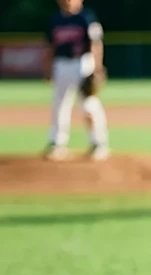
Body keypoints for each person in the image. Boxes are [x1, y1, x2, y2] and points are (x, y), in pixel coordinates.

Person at [42, 0, 109, 161]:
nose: (67, 1)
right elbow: (49, 46)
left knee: (89, 104)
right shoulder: (55, 20)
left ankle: (98, 143)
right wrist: (48, 67)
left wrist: (97, 68)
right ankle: (57, 143)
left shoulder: (87, 17)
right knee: (60, 104)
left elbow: (96, 43)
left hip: (83, 63)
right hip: (61, 64)